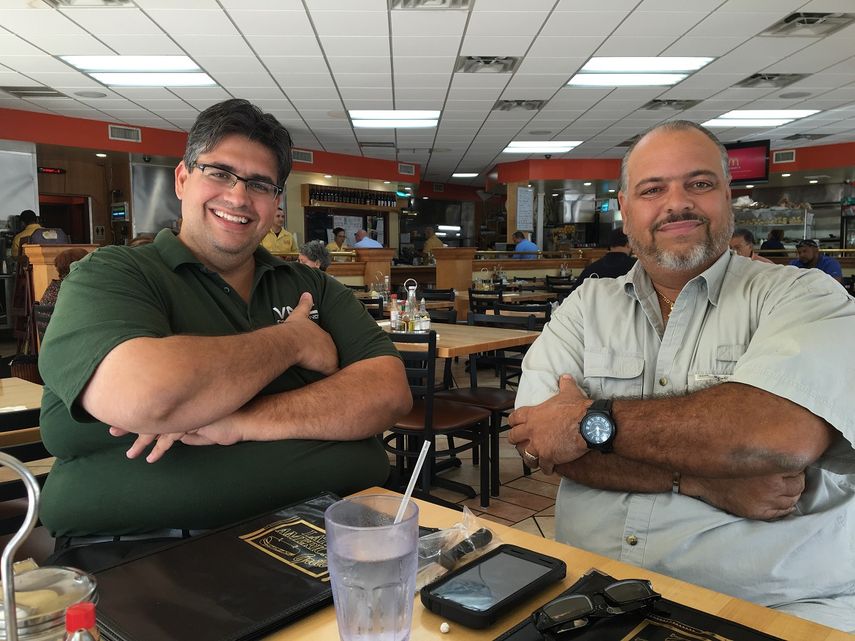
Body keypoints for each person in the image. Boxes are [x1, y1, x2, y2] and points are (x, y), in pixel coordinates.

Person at [508, 120, 855, 632]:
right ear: (625, 209)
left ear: (727, 196)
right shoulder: (585, 306)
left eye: (699, 183)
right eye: (653, 189)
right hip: (593, 592)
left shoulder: (805, 295)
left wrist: (583, 422)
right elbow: (539, 441)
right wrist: (699, 480)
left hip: (774, 604)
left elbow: (779, 436)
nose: (677, 203)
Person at [38, 98, 411, 569]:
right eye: (219, 173)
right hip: (145, 551)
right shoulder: (113, 274)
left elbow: (388, 392)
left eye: (259, 184)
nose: (238, 197)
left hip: (327, 533)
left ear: (276, 203)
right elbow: (149, 396)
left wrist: (239, 420)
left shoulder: (310, 286)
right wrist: (291, 341)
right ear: (182, 179)